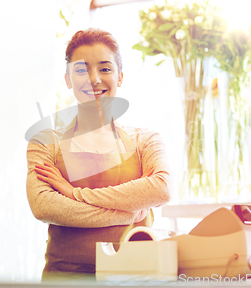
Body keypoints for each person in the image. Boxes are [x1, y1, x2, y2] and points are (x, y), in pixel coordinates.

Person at [26, 28, 172, 280]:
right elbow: (44, 206)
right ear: (68, 79)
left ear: (120, 76)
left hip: (136, 277)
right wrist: (129, 213)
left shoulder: (145, 140)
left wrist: (73, 193)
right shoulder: (45, 142)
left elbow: (161, 189)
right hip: (65, 278)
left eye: (105, 68)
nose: (94, 79)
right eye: (81, 70)